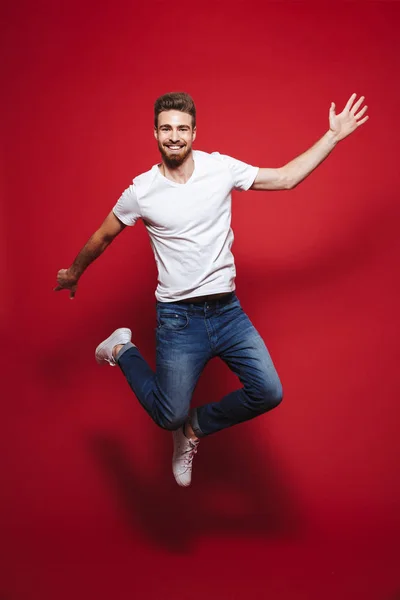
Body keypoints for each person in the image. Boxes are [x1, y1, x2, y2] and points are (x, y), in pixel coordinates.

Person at [55, 91, 368, 487]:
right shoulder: (141, 190)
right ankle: (122, 349)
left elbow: (286, 178)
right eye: (166, 129)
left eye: (182, 129)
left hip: (227, 312)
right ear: (154, 133)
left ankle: (193, 430)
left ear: (194, 133)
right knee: (167, 414)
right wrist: (75, 272)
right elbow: (102, 236)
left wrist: (332, 137)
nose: (174, 136)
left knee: (268, 392)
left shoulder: (220, 169)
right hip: (178, 319)